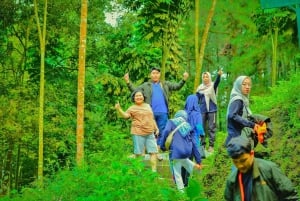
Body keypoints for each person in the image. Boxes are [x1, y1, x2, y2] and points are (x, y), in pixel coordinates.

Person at [124, 67, 189, 147]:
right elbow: (135, 90)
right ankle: (151, 148)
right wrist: (128, 82)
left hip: (163, 112)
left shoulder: (165, 84)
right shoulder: (146, 85)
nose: (155, 75)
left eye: (157, 73)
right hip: (150, 112)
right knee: (150, 131)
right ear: (150, 75)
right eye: (153, 73)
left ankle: (159, 147)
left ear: (160, 74)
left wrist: (184, 79)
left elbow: (177, 87)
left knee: (162, 131)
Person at [224, 136, 299, 201]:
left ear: (252, 154)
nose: (240, 165)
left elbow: (290, 196)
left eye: (243, 160)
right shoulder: (232, 180)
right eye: (235, 162)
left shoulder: (269, 170)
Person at [115, 90, 159, 172]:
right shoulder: (132, 108)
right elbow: (126, 116)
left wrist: (156, 128)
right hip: (138, 132)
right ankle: (139, 172)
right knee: (139, 154)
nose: (139, 97)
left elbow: (151, 118)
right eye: (137, 96)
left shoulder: (148, 106)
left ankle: (154, 172)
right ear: (134, 98)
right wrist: (119, 109)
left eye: (140, 95)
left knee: (153, 152)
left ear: (143, 97)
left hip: (150, 132)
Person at [159, 110, 203, 192]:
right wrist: (198, 160)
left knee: (177, 173)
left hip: (176, 151)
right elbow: (194, 144)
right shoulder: (189, 126)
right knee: (185, 161)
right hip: (187, 152)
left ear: (176, 116)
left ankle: (181, 193)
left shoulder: (171, 121)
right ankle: (199, 174)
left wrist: (162, 146)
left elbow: (166, 131)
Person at [225, 76, 261, 146]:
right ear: (238, 85)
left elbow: (242, 116)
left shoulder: (243, 99)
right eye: (244, 84)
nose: (247, 87)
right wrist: (252, 125)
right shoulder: (238, 100)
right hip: (236, 139)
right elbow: (232, 115)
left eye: (249, 85)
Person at [196, 69, 222, 153]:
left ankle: (211, 146)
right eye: (203, 77)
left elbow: (217, 82)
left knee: (211, 128)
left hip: (212, 109)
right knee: (201, 128)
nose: (205, 78)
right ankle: (202, 145)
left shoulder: (213, 86)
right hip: (202, 110)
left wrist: (219, 76)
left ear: (209, 78)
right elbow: (197, 99)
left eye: (207, 77)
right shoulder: (199, 88)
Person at [182, 94, 205, 187]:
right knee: (190, 161)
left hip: (183, 140)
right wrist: (202, 134)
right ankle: (187, 184)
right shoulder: (197, 113)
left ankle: (181, 184)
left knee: (184, 162)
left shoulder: (183, 113)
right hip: (193, 139)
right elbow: (199, 126)